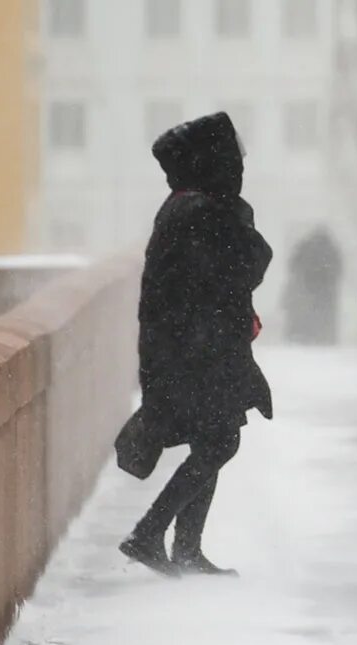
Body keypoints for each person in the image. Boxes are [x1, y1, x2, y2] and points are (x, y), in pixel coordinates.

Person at [114, 112, 273, 577]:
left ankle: (185, 548)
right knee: (220, 440)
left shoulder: (186, 206)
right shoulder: (202, 212)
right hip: (194, 353)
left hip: (191, 349)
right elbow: (247, 264)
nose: (239, 165)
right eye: (233, 156)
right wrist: (239, 219)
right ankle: (149, 533)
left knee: (213, 437)